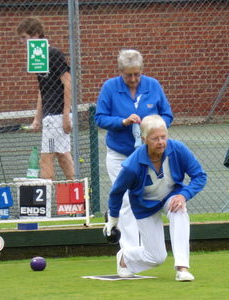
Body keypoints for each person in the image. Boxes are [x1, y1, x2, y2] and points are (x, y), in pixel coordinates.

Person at [103, 115, 207, 281]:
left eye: (163, 137)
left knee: (179, 209)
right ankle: (125, 257)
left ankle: (182, 268)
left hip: (170, 196)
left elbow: (200, 176)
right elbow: (117, 192)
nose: (161, 142)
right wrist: (113, 221)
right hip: (144, 206)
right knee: (156, 258)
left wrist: (183, 195)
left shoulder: (178, 149)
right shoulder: (132, 165)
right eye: (155, 139)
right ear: (144, 139)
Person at [95, 49, 173, 249]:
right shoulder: (110, 87)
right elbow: (100, 118)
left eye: (137, 74)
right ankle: (129, 253)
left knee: (148, 196)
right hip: (119, 154)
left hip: (149, 156)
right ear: (120, 72)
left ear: (142, 70)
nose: (133, 78)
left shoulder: (153, 85)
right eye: (128, 74)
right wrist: (122, 121)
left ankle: (148, 246)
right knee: (127, 199)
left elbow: (167, 115)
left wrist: (153, 126)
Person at [17, 17, 75, 181]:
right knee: (63, 158)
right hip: (50, 115)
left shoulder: (53, 53)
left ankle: (45, 203)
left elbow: (68, 82)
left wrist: (65, 115)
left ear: (35, 35)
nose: (21, 42)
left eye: (24, 37)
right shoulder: (39, 58)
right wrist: (37, 119)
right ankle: (80, 196)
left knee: (46, 159)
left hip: (56, 115)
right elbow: (43, 90)